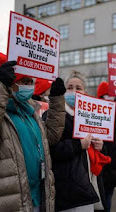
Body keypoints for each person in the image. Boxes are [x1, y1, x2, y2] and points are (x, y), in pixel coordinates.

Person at [0, 52, 66, 212]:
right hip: (4, 202)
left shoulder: (29, 110)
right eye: (25, 81)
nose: (30, 86)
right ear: (10, 83)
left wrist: (57, 101)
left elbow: (50, 137)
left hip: (36, 198)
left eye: (31, 81)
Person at [45, 71, 107, 212]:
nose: (74, 91)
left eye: (78, 88)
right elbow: (50, 149)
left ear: (85, 91)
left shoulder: (93, 117)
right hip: (69, 191)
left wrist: (101, 146)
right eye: (70, 87)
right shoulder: (52, 115)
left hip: (91, 185)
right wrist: (78, 145)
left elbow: (102, 150)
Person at [97, 81, 116, 212]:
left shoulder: (115, 114)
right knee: (102, 201)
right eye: (107, 95)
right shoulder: (99, 113)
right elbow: (107, 120)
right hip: (102, 165)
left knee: (108, 198)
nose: (110, 98)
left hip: (112, 163)